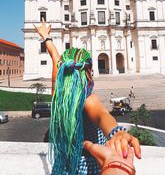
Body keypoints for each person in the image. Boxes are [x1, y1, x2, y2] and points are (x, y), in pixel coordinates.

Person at [34, 19, 141, 175]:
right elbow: (103, 115)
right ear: (89, 73)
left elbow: (55, 56)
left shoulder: (57, 91)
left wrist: (46, 37)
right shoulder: (87, 99)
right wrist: (116, 132)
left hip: (63, 165)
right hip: (89, 165)